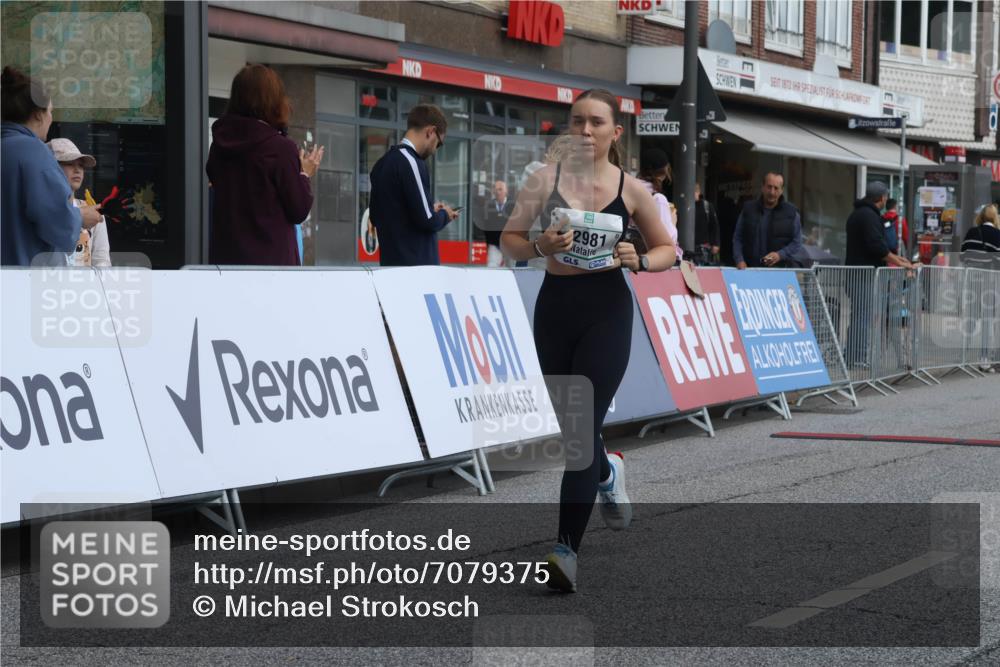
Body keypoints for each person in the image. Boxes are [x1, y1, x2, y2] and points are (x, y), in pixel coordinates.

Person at [500, 89, 676, 593]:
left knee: (578, 435)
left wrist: (638, 259)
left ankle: (564, 552)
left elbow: (666, 248)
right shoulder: (543, 180)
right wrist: (538, 245)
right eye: (576, 121)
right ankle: (608, 472)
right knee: (574, 427)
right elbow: (508, 239)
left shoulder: (633, 190)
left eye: (595, 123)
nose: (584, 131)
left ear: (614, 133)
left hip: (607, 313)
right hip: (555, 310)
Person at [206, 64, 323, 265]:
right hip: (270, 267)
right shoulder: (280, 148)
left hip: (226, 262)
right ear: (274, 100)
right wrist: (304, 174)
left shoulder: (219, 144)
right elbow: (298, 210)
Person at [1, 66, 101, 266]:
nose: (51, 118)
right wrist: (79, 218)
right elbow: (55, 222)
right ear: (38, 114)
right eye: (50, 111)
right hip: (23, 281)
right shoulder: (34, 152)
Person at [369, 104, 458, 266]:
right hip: (417, 268)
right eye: (438, 143)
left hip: (390, 265)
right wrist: (445, 214)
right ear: (430, 131)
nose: (435, 150)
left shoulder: (381, 164)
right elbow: (428, 220)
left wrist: (430, 208)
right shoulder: (412, 162)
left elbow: (375, 216)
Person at [844, 181, 913, 366]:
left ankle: (852, 355)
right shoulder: (869, 216)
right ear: (882, 198)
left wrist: (900, 261)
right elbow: (877, 246)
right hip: (863, 275)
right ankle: (857, 358)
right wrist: (899, 261)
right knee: (863, 316)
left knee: (859, 315)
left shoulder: (858, 214)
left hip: (855, 273)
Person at [48, 138, 111, 267]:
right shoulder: (38, 211)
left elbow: (102, 262)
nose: (77, 170)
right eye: (69, 163)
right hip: (46, 285)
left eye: (81, 165)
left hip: (84, 286)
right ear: (51, 167)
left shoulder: (94, 213)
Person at [732, 172, 803, 269]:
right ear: (763, 187)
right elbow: (737, 238)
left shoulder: (792, 213)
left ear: (782, 190)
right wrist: (739, 260)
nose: (772, 192)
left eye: (776, 188)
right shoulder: (748, 209)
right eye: (769, 187)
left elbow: (797, 243)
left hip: (779, 272)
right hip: (749, 270)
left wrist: (780, 255)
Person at [631, 148, 681, 260]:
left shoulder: (630, 189)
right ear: (665, 169)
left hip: (631, 258)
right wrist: (673, 221)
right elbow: (667, 241)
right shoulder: (658, 198)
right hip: (651, 261)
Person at [482, 180, 513, 267]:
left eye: (500, 189)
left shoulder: (513, 205)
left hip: (510, 245)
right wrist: (489, 243)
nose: (498, 192)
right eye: (496, 190)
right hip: (494, 244)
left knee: (510, 270)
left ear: (506, 191)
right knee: (492, 268)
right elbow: (486, 227)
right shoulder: (488, 205)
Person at [961, 204, 1000, 269]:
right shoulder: (997, 234)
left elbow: (962, 256)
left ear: (980, 216)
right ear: (995, 217)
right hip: (987, 276)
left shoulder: (971, 231)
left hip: (969, 275)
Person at [693, 181, 720, 265]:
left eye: (695, 191)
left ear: (698, 192)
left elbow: (714, 226)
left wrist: (715, 243)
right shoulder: (684, 206)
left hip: (703, 247)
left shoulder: (707, 206)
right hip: (688, 246)